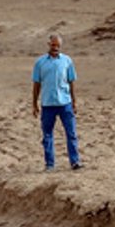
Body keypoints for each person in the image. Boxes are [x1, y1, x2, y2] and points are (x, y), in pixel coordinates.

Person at [30, 34, 81, 171]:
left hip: (65, 103)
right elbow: (36, 84)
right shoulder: (40, 62)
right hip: (48, 104)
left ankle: (75, 161)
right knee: (47, 135)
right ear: (49, 45)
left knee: (71, 133)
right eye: (53, 45)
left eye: (58, 46)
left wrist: (74, 102)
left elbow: (71, 82)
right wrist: (34, 104)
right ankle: (50, 164)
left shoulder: (67, 61)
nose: (55, 48)